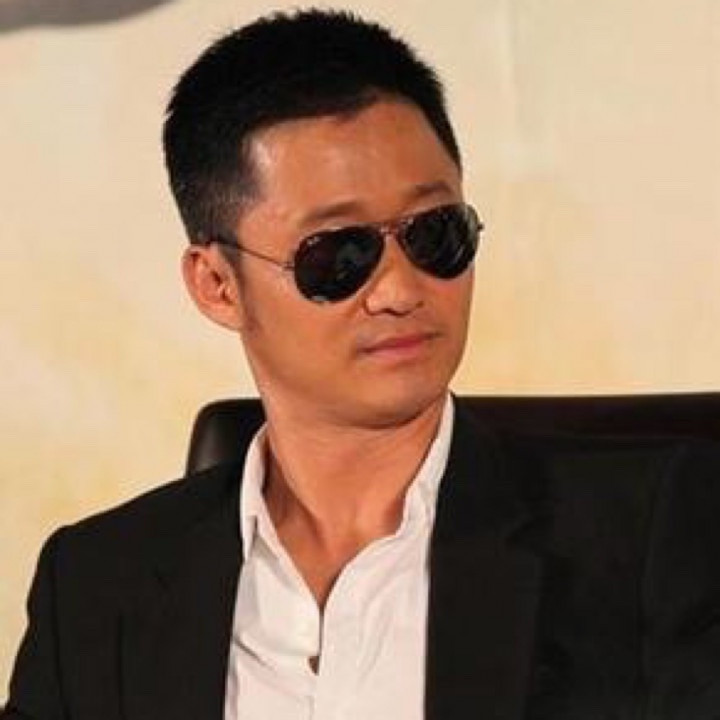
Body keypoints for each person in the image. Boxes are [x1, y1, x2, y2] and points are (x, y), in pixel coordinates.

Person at [3, 8, 720, 720]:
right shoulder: (96, 586)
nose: (401, 290)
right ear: (217, 284)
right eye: (338, 255)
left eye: (435, 234)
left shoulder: (653, 535)